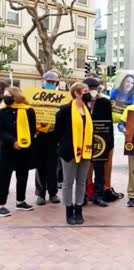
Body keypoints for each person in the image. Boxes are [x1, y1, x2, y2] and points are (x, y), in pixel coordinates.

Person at [55, 82, 94, 225]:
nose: (88, 93)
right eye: (85, 91)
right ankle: (68, 210)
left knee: (81, 181)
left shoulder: (87, 109)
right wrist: (64, 145)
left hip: (86, 151)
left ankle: (79, 209)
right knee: (68, 182)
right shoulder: (64, 110)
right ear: (77, 93)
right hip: (69, 152)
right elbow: (58, 132)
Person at [0, 87, 36, 217]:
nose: (5, 98)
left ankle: (20, 201)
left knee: (23, 175)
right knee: (4, 176)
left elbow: (32, 129)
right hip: (7, 148)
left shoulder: (29, 110)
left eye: (8, 95)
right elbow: (1, 131)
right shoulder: (2, 111)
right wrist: (13, 142)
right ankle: (1, 204)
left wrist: (25, 142)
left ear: (16, 96)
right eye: (4, 95)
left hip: (24, 149)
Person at [83, 78, 114, 207]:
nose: (92, 90)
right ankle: (84, 195)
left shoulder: (105, 102)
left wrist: (109, 143)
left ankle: (98, 195)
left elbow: (109, 123)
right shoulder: (80, 102)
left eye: (95, 88)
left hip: (100, 141)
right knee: (83, 170)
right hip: (84, 141)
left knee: (99, 169)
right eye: (90, 88)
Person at [35, 71, 61, 206]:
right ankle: (40, 194)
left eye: (53, 82)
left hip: (54, 137)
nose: (50, 84)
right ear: (43, 81)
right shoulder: (35, 97)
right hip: (39, 136)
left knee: (53, 167)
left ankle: (53, 193)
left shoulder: (62, 98)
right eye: (48, 81)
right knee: (40, 167)